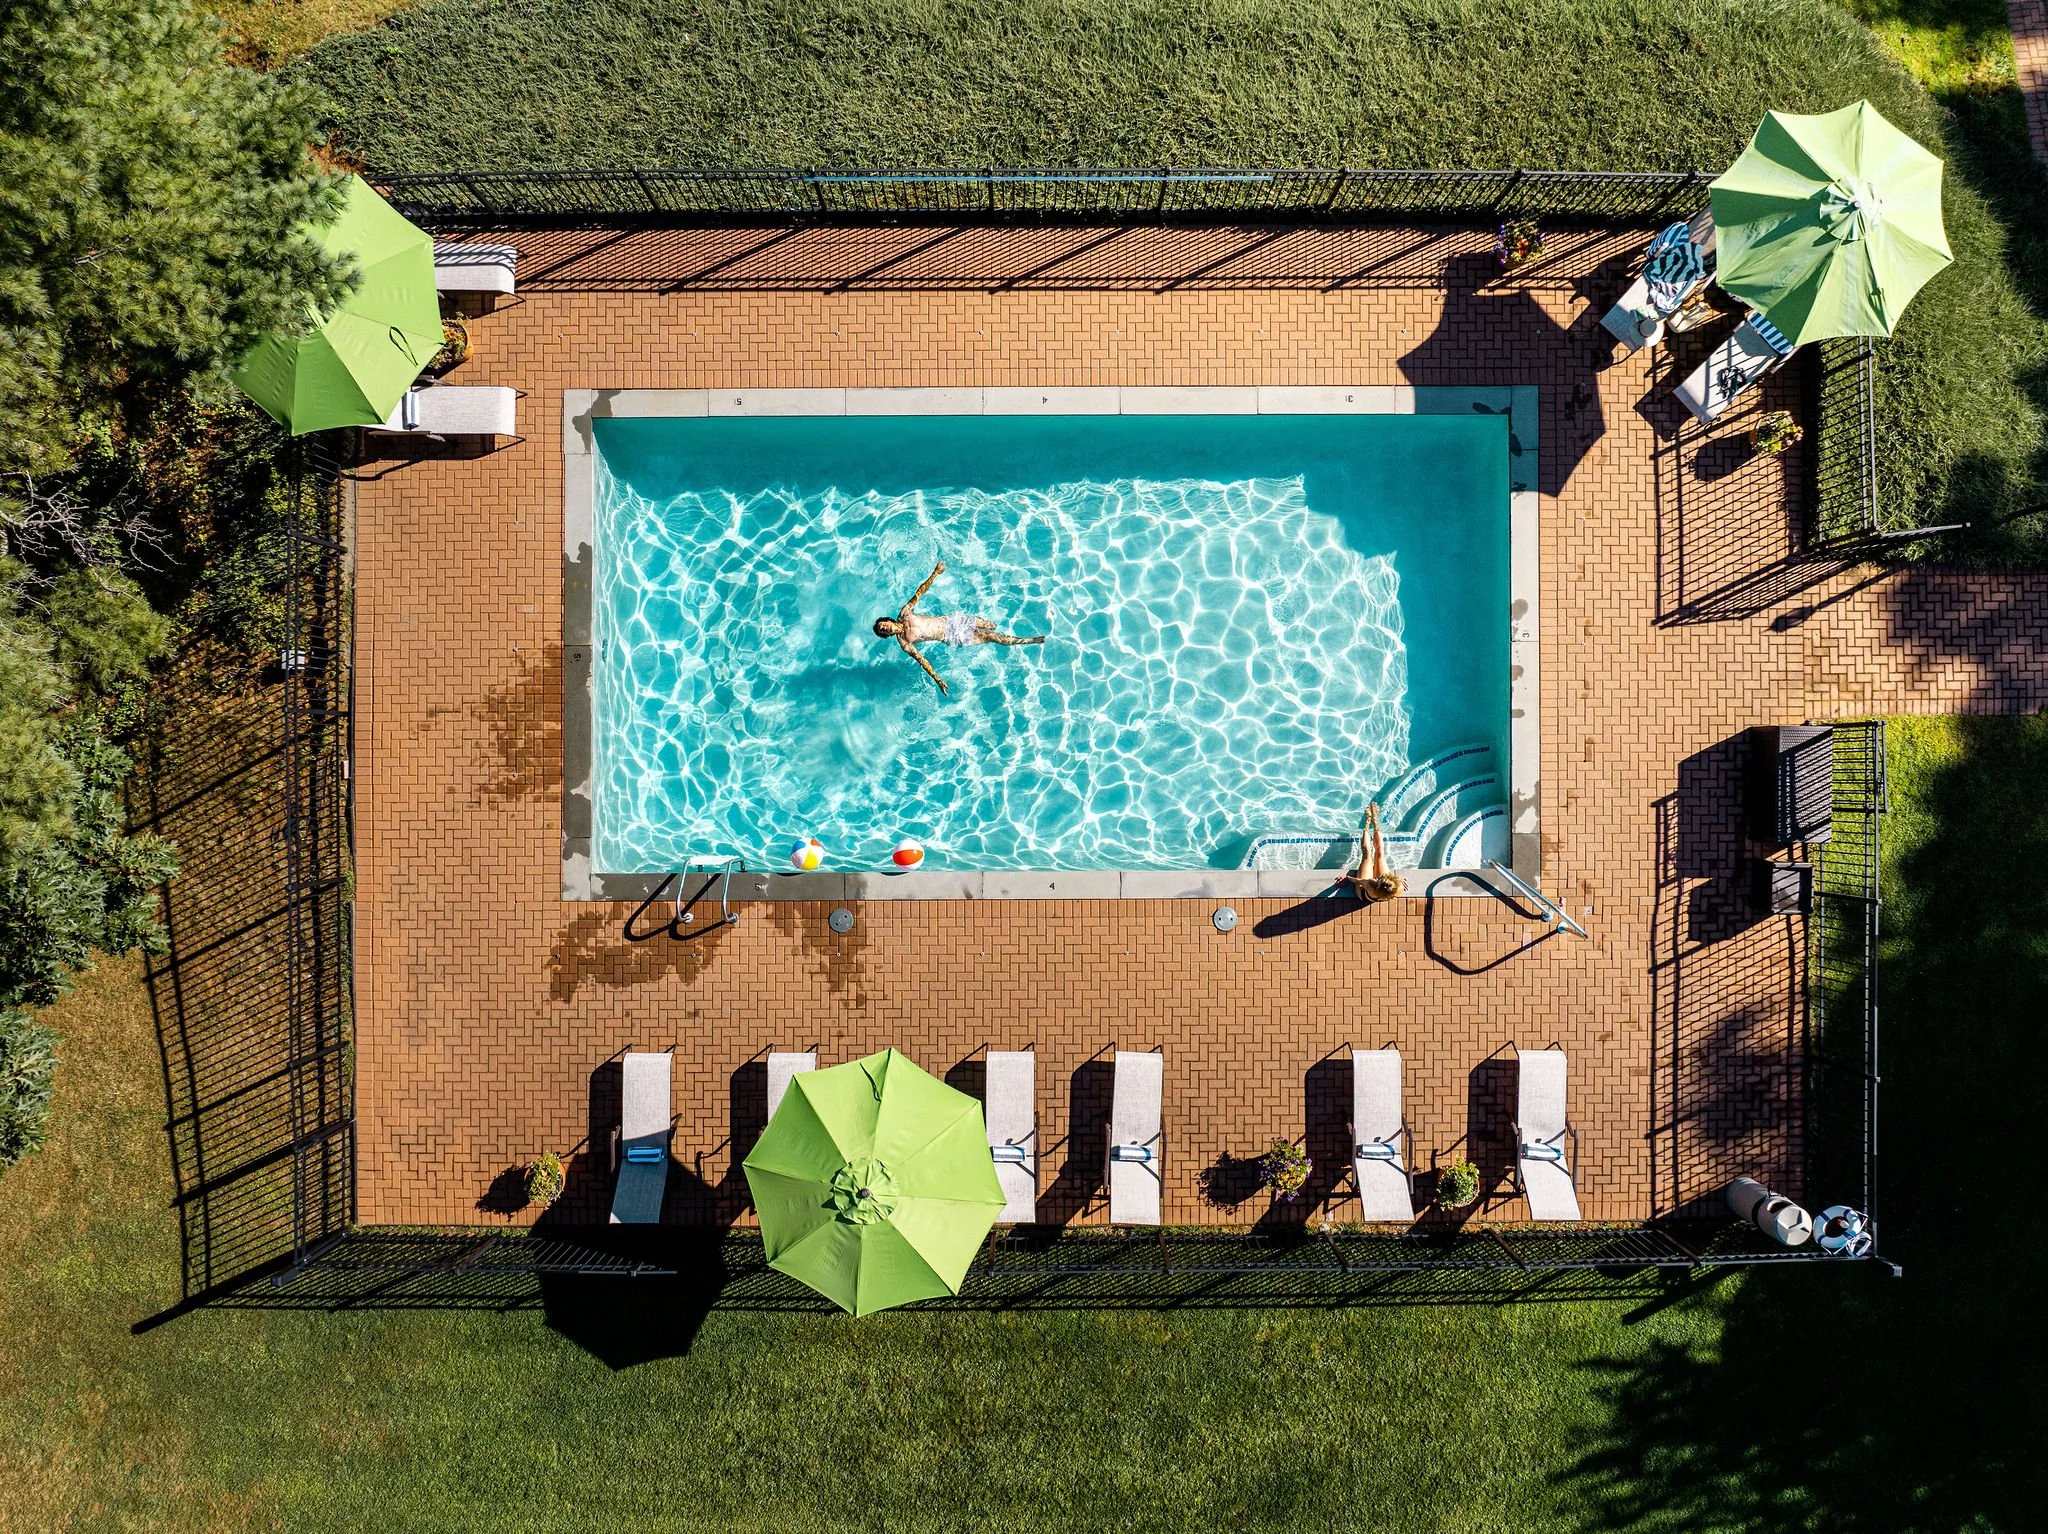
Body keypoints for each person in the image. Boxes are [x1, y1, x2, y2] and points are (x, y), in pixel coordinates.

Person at [872, 560, 1045, 695]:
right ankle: (1030, 641)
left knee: (990, 625)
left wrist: (935, 573)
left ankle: (1016, 627)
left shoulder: (905, 613)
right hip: (951, 637)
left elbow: (920, 592)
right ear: (885, 635)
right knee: (992, 637)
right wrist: (938, 680)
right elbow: (922, 660)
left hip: (952, 621)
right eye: (882, 631)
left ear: (888, 620)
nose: (884, 628)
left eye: (883, 625)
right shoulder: (904, 643)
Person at [1347, 802, 1405, 903]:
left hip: (1364, 892)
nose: (1380, 876)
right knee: (1380, 854)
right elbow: (1397, 882)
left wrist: (1346, 878)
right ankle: (1375, 820)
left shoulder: (1370, 883)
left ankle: (1368, 821)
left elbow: (1356, 881)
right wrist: (1398, 880)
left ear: (1377, 883)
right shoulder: (1398, 888)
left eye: (1380, 878)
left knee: (1367, 855)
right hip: (1383, 891)